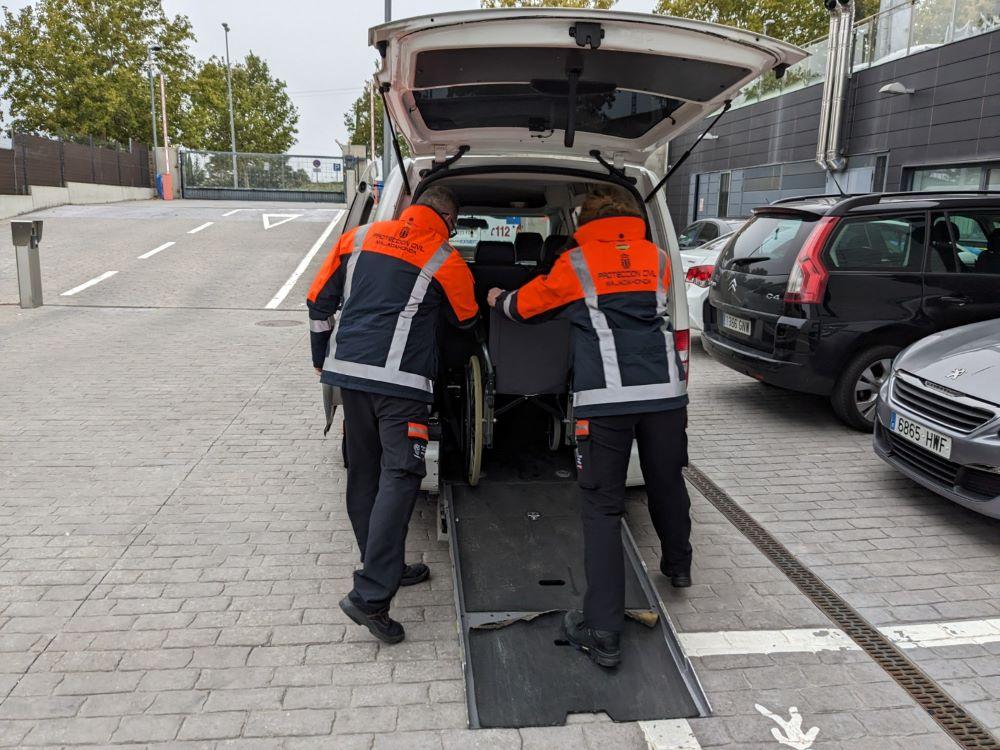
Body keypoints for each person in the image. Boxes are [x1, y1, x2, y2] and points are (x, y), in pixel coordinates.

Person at [487, 185, 691, 669]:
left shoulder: (577, 263)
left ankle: (602, 631)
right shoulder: (658, 256)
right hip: (665, 393)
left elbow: (525, 308)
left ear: (584, 220)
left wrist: (497, 297)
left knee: (602, 507)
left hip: (606, 400)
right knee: (667, 480)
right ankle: (678, 566)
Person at [308, 187, 478, 643]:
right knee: (401, 476)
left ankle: (382, 564)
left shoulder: (360, 237)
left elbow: (318, 302)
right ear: (445, 216)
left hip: (349, 375)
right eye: (455, 223)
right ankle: (371, 597)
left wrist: (321, 357)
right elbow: (466, 320)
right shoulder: (445, 257)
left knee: (364, 471)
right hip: (401, 386)